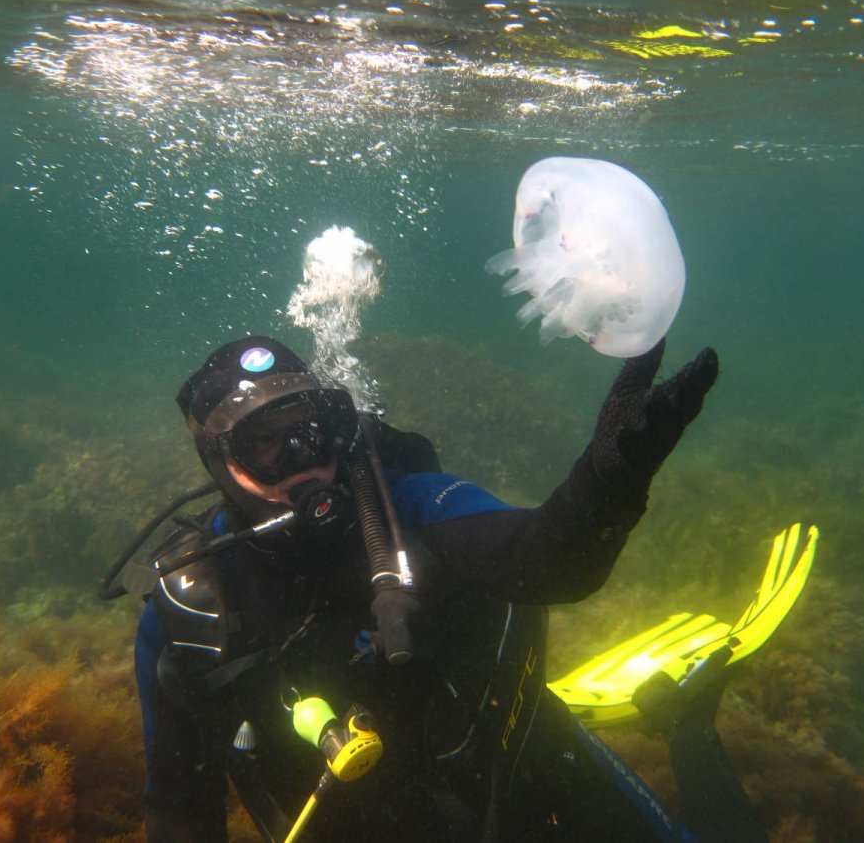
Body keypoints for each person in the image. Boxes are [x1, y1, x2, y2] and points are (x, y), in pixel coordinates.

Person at [131, 335, 766, 842]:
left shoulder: (403, 502)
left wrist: (611, 478)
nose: (302, 458)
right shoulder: (190, 609)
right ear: (220, 460)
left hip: (518, 771)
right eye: (264, 444)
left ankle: (688, 725)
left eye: (309, 430)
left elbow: (548, 561)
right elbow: (181, 807)